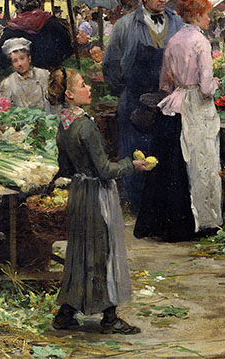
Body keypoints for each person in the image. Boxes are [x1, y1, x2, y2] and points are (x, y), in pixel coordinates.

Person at [50, 68, 153, 334]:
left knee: (80, 254)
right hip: (96, 194)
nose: (89, 89)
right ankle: (110, 318)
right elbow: (106, 170)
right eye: (83, 85)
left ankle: (66, 313)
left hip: (79, 193)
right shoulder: (85, 125)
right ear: (70, 95)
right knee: (103, 253)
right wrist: (133, 165)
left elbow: (65, 166)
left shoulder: (64, 124)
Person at [134, 0, 221, 242]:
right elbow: (205, 88)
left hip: (175, 106)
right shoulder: (201, 43)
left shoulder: (173, 41)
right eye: (205, 15)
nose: (208, 19)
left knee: (175, 165)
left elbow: (164, 83)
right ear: (195, 15)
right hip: (196, 107)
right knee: (201, 162)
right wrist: (215, 83)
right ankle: (204, 222)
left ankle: (170, 223)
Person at [103, 0, 184, 210]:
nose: (161, 0)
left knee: (165, 153)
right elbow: (110, 63)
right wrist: (123, 91)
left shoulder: (176, 22)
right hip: (134, 101)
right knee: (135, 152)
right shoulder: (125, 25)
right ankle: (138, 205)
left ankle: (162, 209)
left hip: (167, 100)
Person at [0, 0, 75, 70]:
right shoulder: (53, 23)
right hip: (51, 75)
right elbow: (68, 49)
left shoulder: (12, 29)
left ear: (18, 6)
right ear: (38, 3)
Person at [0, 37, 51, 111]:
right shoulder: (7, 83)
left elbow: (53, 102)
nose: (19, 64)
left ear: (29, 58)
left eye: (22, 58)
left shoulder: (43, 74)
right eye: (15, 61)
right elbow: (5, 111)